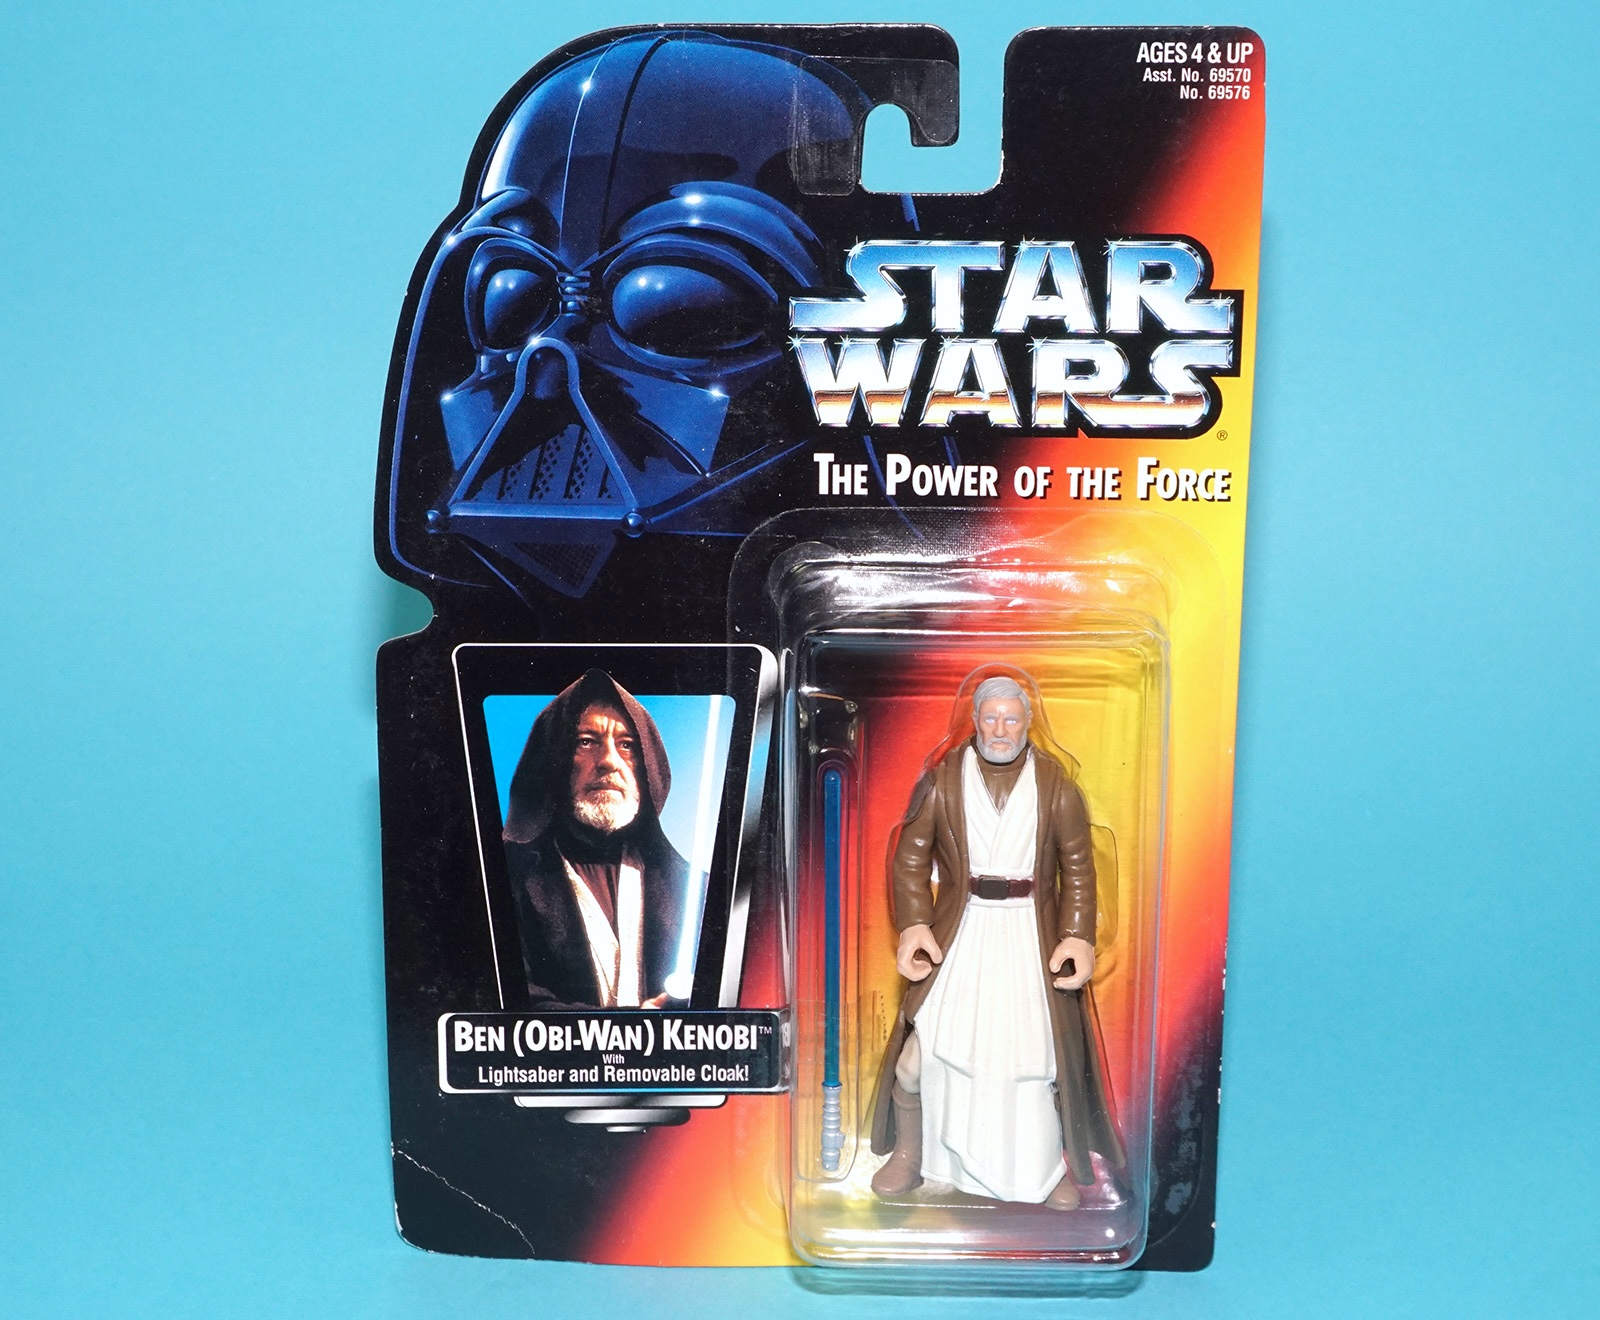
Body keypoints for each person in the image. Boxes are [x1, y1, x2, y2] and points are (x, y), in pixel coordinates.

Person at [868, 672, 1125, 1209]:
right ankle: (913, 1155)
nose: (1001, 729)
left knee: (1035, 1060)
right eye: (991, 718)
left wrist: (1077, 936)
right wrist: (914, 924)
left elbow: (1079, 869)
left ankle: (1044, 1169)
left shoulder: (1056, 788)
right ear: (976, 720)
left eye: (1011, 718)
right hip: (962, 933)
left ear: (1028, 721)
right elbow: (910, 859)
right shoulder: (943, 782)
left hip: (1029, 935)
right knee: (921, 1057)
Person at [499, 670, 688, 1008]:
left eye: (627, 745)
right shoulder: (503, 875)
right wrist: (619, 1029)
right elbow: (499, 994)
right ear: (555, 757)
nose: (609, 762)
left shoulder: (689, 886)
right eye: (586, 742)